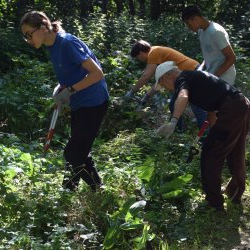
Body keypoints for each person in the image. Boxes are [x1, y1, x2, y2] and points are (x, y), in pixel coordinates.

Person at [20, 11, 109, 191]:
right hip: (79, 102)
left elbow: (97, 73)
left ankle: (73, 190)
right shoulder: (51, 46)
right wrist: (61, 88)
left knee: (72, 153)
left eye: (29, 34)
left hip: (93, 102)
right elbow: (70, 72)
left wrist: (70, 90)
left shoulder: (67, 43)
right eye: (25, 36)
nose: (28, 40)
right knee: (79, 150)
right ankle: (93, 190)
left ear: (43, 27)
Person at [155, 61, 250, 211]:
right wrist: (213, 131)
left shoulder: (182, 78)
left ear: (166, 76)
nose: (167, 89)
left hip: (232, 108)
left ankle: (214, 203)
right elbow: (212, 108)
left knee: (210, 155)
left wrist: (173, 121)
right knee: (235, 151)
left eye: (163, 85)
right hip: (240, 104)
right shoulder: (195, 77)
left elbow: (183, 95)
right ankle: (235, 193)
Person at [124, 39, 207, 128]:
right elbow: (161, 81)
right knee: (173, 105)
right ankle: (178, 131)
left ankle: (205, 134)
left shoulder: (153, 53)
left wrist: (132, 91)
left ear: (140, 53)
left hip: (192, 73)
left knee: (197, 106)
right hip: (189, 74)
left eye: (137, 57)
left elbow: (146, 76)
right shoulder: (157, 53)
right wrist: (146, 97)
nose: (139, 60)